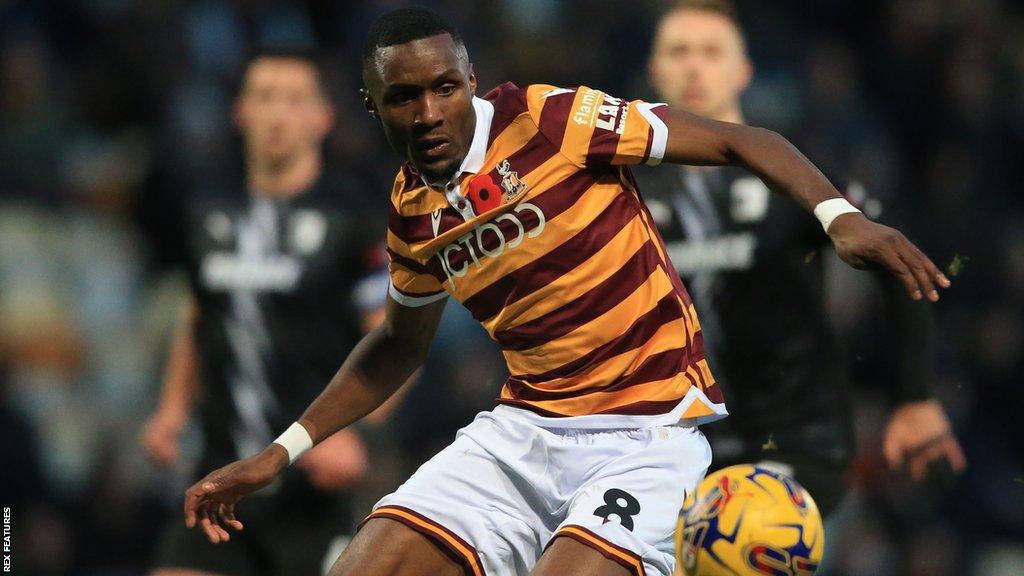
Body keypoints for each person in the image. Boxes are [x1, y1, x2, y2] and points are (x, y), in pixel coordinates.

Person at [181, 8, 950, 576]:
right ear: (372, 108)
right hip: (524, 433)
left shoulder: (551, 119)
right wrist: (281, 451)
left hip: (645, 438)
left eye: (445, 88)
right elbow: (396, 345)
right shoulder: (412, 210)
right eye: (404, 98)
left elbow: (736, 138)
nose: (428, 113)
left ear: (471, 82)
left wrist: (839, 217)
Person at [638, 0, 966, 517]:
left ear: (743, 69)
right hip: (670, 450)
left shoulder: (797, 173)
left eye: (711, 51)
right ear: (655, 70)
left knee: (743, 545)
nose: (695, 66)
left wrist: (916, 396)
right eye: (679, 52)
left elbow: (892, 258)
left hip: (794, 440)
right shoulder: (623, 192)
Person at [141, 49, 384, 576]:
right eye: (264, 96)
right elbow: (197, 315)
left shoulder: (353, 219)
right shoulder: (205, 209)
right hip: (219, 482)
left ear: (323, 116)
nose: (278, 114)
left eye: (295, 99)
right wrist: (172, 408)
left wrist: (359, 434)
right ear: (240, 111)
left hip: (313, 486)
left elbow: (392, 341)